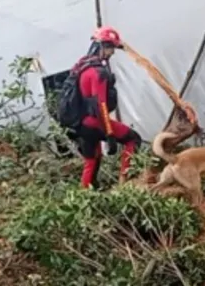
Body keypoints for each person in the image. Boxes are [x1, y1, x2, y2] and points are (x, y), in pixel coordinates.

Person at [59, 26, 142, 189]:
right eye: (111, 48)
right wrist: (109, 134)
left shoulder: (82, 66)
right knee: (133, 139)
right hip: (94, 122)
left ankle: (86, 192)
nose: (112, 53)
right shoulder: (98, 72)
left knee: (92, 158)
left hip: (80, 123)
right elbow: (101, 105)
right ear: (103, 46)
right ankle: (125, 183)